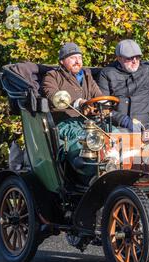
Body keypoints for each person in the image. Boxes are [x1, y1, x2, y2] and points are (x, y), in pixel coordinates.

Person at [42, 42, 103, 178]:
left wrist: (101, 106)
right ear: (62, 61)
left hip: (89, 123)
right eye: (72, 58)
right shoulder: (52, 76)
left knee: (115, 133)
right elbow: (53, 96)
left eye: (79, 58)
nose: (77, 61)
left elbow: (98, 96)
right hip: (65, 123)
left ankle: (114, 170)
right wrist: (77, 103)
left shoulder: (87, 76)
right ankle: (88, 176)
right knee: (86, 139)